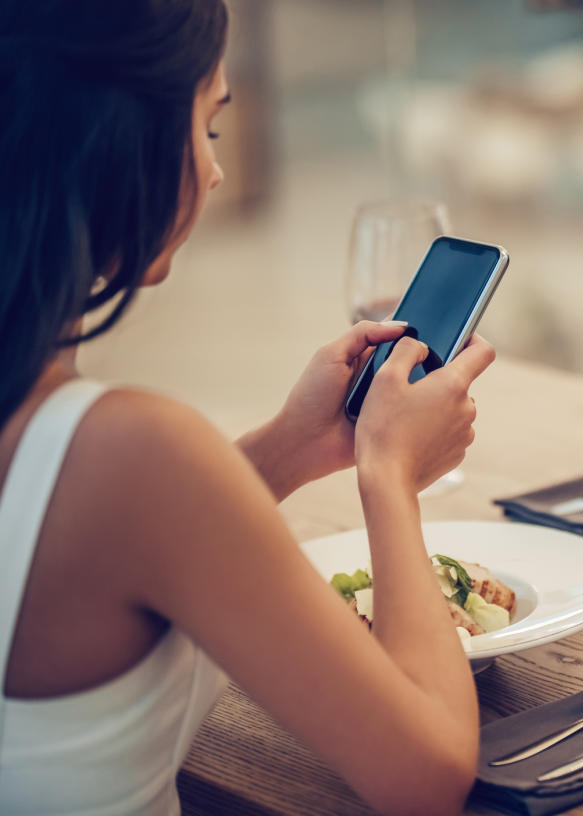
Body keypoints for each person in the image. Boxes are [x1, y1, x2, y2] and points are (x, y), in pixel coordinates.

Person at [0, 2, 493, 813]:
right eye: (208, 128)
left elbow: (111, 543)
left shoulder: (87, 452)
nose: (217, 169)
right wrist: (389, 473)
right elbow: (428, 773)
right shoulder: (131, 449)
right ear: (117, 145)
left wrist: (289, 449)